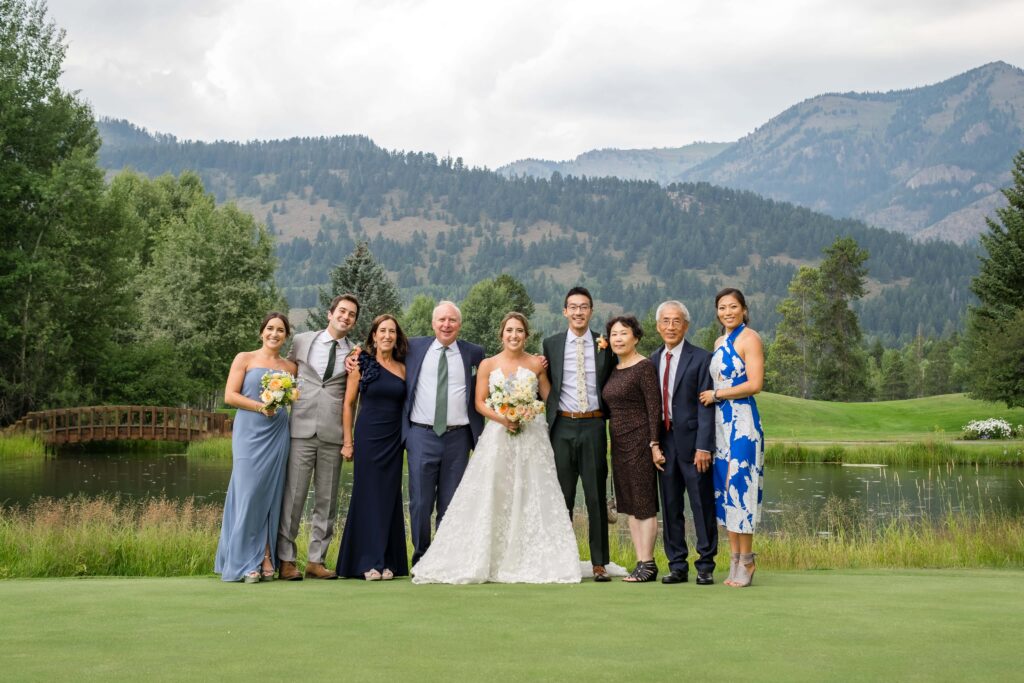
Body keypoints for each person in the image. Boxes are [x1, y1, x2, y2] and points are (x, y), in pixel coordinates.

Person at [411, 313, 581, 584]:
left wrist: (529, 412)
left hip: (531, 437)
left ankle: (530, 555)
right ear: (501, 334)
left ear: (527, 335)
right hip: (498, 434)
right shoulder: (488, 364)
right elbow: (479, 403)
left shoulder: (537, 364)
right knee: (495, 491)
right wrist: (504, 418)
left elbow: (549, 399)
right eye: (509, 331)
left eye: (519, 331)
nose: (514, 336)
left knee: (532, 493)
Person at [277, 294, 360, 581]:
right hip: (299, 428)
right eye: (342, 311)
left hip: (333, 433)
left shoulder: (355, 354)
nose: (345, 317)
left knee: (327, 499)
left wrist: (348, 440)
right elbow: (285, 370)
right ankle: (286, 560)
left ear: (353, 322)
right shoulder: (302, 340)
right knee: (294, 498)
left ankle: (316, 560)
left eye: (351, 314)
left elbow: (352, 395)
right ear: (330, 313)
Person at [215, 312, 297, 583]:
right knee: (249, 493)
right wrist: (262, 406)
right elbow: (230, 396)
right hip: (250, 432)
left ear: (286, 336)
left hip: (277, 434)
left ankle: (265, 556)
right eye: (270, 328)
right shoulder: (245, 358)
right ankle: (244, 560)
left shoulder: (290, 367)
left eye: (281, 330)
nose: (275, 334)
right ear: (262, 332)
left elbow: (295, 400)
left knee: (271, 496)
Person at [403, 301, 485, 565]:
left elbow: (497, 372)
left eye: (452, 320)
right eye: (441, 320)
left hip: (458, 438)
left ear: (459, 325)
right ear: (433, 323)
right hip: (421, 435)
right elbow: (380, 354)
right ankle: (421, 558)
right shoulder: (413, 348)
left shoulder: (474, 353)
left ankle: (444, 559)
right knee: (420, 503)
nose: (446, 325)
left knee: (451, 504)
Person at [543, 287, 615, 581]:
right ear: (564, 311)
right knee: (563, 495)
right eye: (573, 307)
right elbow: (545, 383)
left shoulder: (606, 345)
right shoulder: (551, 344)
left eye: (583, 307)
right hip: (562, 426)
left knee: (596, 495)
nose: (578, 312)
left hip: (595, 425)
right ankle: (562, 559)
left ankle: (599, 563)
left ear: (591, 311)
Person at [699, 288, 765, 587]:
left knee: (741, 485)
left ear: (744, 310)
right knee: (724, 491)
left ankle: (748, 560)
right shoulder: (719, 341)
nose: (727, 312)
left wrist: (718, 394)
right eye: (722, 307)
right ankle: (735, 559)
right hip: (721, 424)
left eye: (733, 306)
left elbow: (755, 384)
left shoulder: (749, 338)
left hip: (742, 421)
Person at [336, 315, 409, 581]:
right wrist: (348, 441)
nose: (387, 335)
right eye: (382, 331)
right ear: (374, 336)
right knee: (367, 497)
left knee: (390, 499)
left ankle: (389, 560)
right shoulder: (361, 363)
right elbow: (348, 404)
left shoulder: (403, 368)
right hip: (368, 438)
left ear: (397, 337)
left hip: (394, 441)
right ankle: (367, 561)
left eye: (392, 331)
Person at [650, 300, 717, 586]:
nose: (671, 326)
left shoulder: (702, 358)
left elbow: (706, 406)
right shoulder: (651, 361)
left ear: (686, 326)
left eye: (676, 321)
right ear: (658, 326)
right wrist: (653, 444)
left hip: (693, 443)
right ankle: (677, 565)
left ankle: (705, 565)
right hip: (665, 442)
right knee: (671, 505)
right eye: (665, 321)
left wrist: (705, 446)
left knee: (701, 505)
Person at [601, 315, 663, 583]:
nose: (618, 338)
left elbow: (654, 408)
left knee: (644, 504)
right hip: (619, 443)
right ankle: (641, 562)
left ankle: (648, 563)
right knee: (630, 505)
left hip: (640, 442)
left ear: (635, 337)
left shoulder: (644, 367)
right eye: (613, 334)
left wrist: (654, 443)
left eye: (623, 333)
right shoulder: (614, 369)